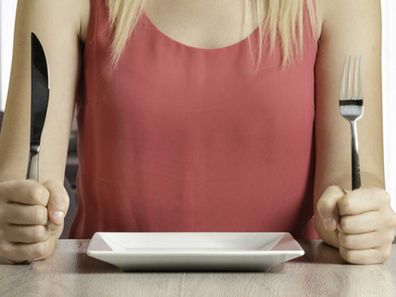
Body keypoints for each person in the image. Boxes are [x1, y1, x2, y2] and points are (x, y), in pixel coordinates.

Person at [0, 0, 395, 265]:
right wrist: (18, 218)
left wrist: (358, 218)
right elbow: (21, 182)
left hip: (293, 285)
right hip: (103, 286)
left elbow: (354, 181)